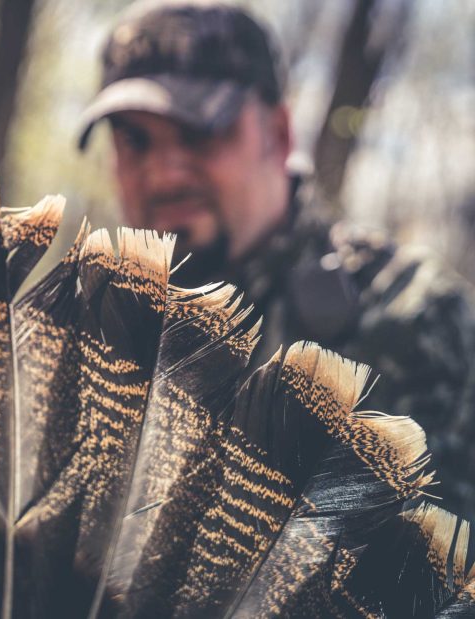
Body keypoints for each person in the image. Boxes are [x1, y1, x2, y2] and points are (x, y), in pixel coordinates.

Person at [78, 0, 475, 520]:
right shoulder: (93, 332)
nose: (163, 174)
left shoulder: (408, 315)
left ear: (280, 134)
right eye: (134, 140)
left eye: (200, 132)